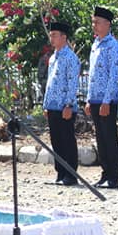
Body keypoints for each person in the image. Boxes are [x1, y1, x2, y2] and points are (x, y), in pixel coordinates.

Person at [86, 6, 118, 189]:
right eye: (93, 22)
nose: (94, 25)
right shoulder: (95, 44)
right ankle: (105, 173)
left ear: (107, 24)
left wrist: (107, 101)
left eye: (98, 22)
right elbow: (92, 74)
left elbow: (113, 75)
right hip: (95, 98)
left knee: (109, 137)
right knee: (100, 138)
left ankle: (114, 176)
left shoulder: (112, 45)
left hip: (107, 100)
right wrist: (88, 99)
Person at [43, 21, 80, 186]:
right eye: (51, 35)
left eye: (55, 35)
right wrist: (46, 104)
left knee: (67, 140)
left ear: (64, 37)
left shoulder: (71, 58)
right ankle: (60, 173)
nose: (51, 38)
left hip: (64, 106)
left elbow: (72, 83)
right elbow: (50, 82)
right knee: (56, 141)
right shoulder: (53, 58)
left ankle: (71, 174)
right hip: (53, 105)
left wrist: (69, 104)